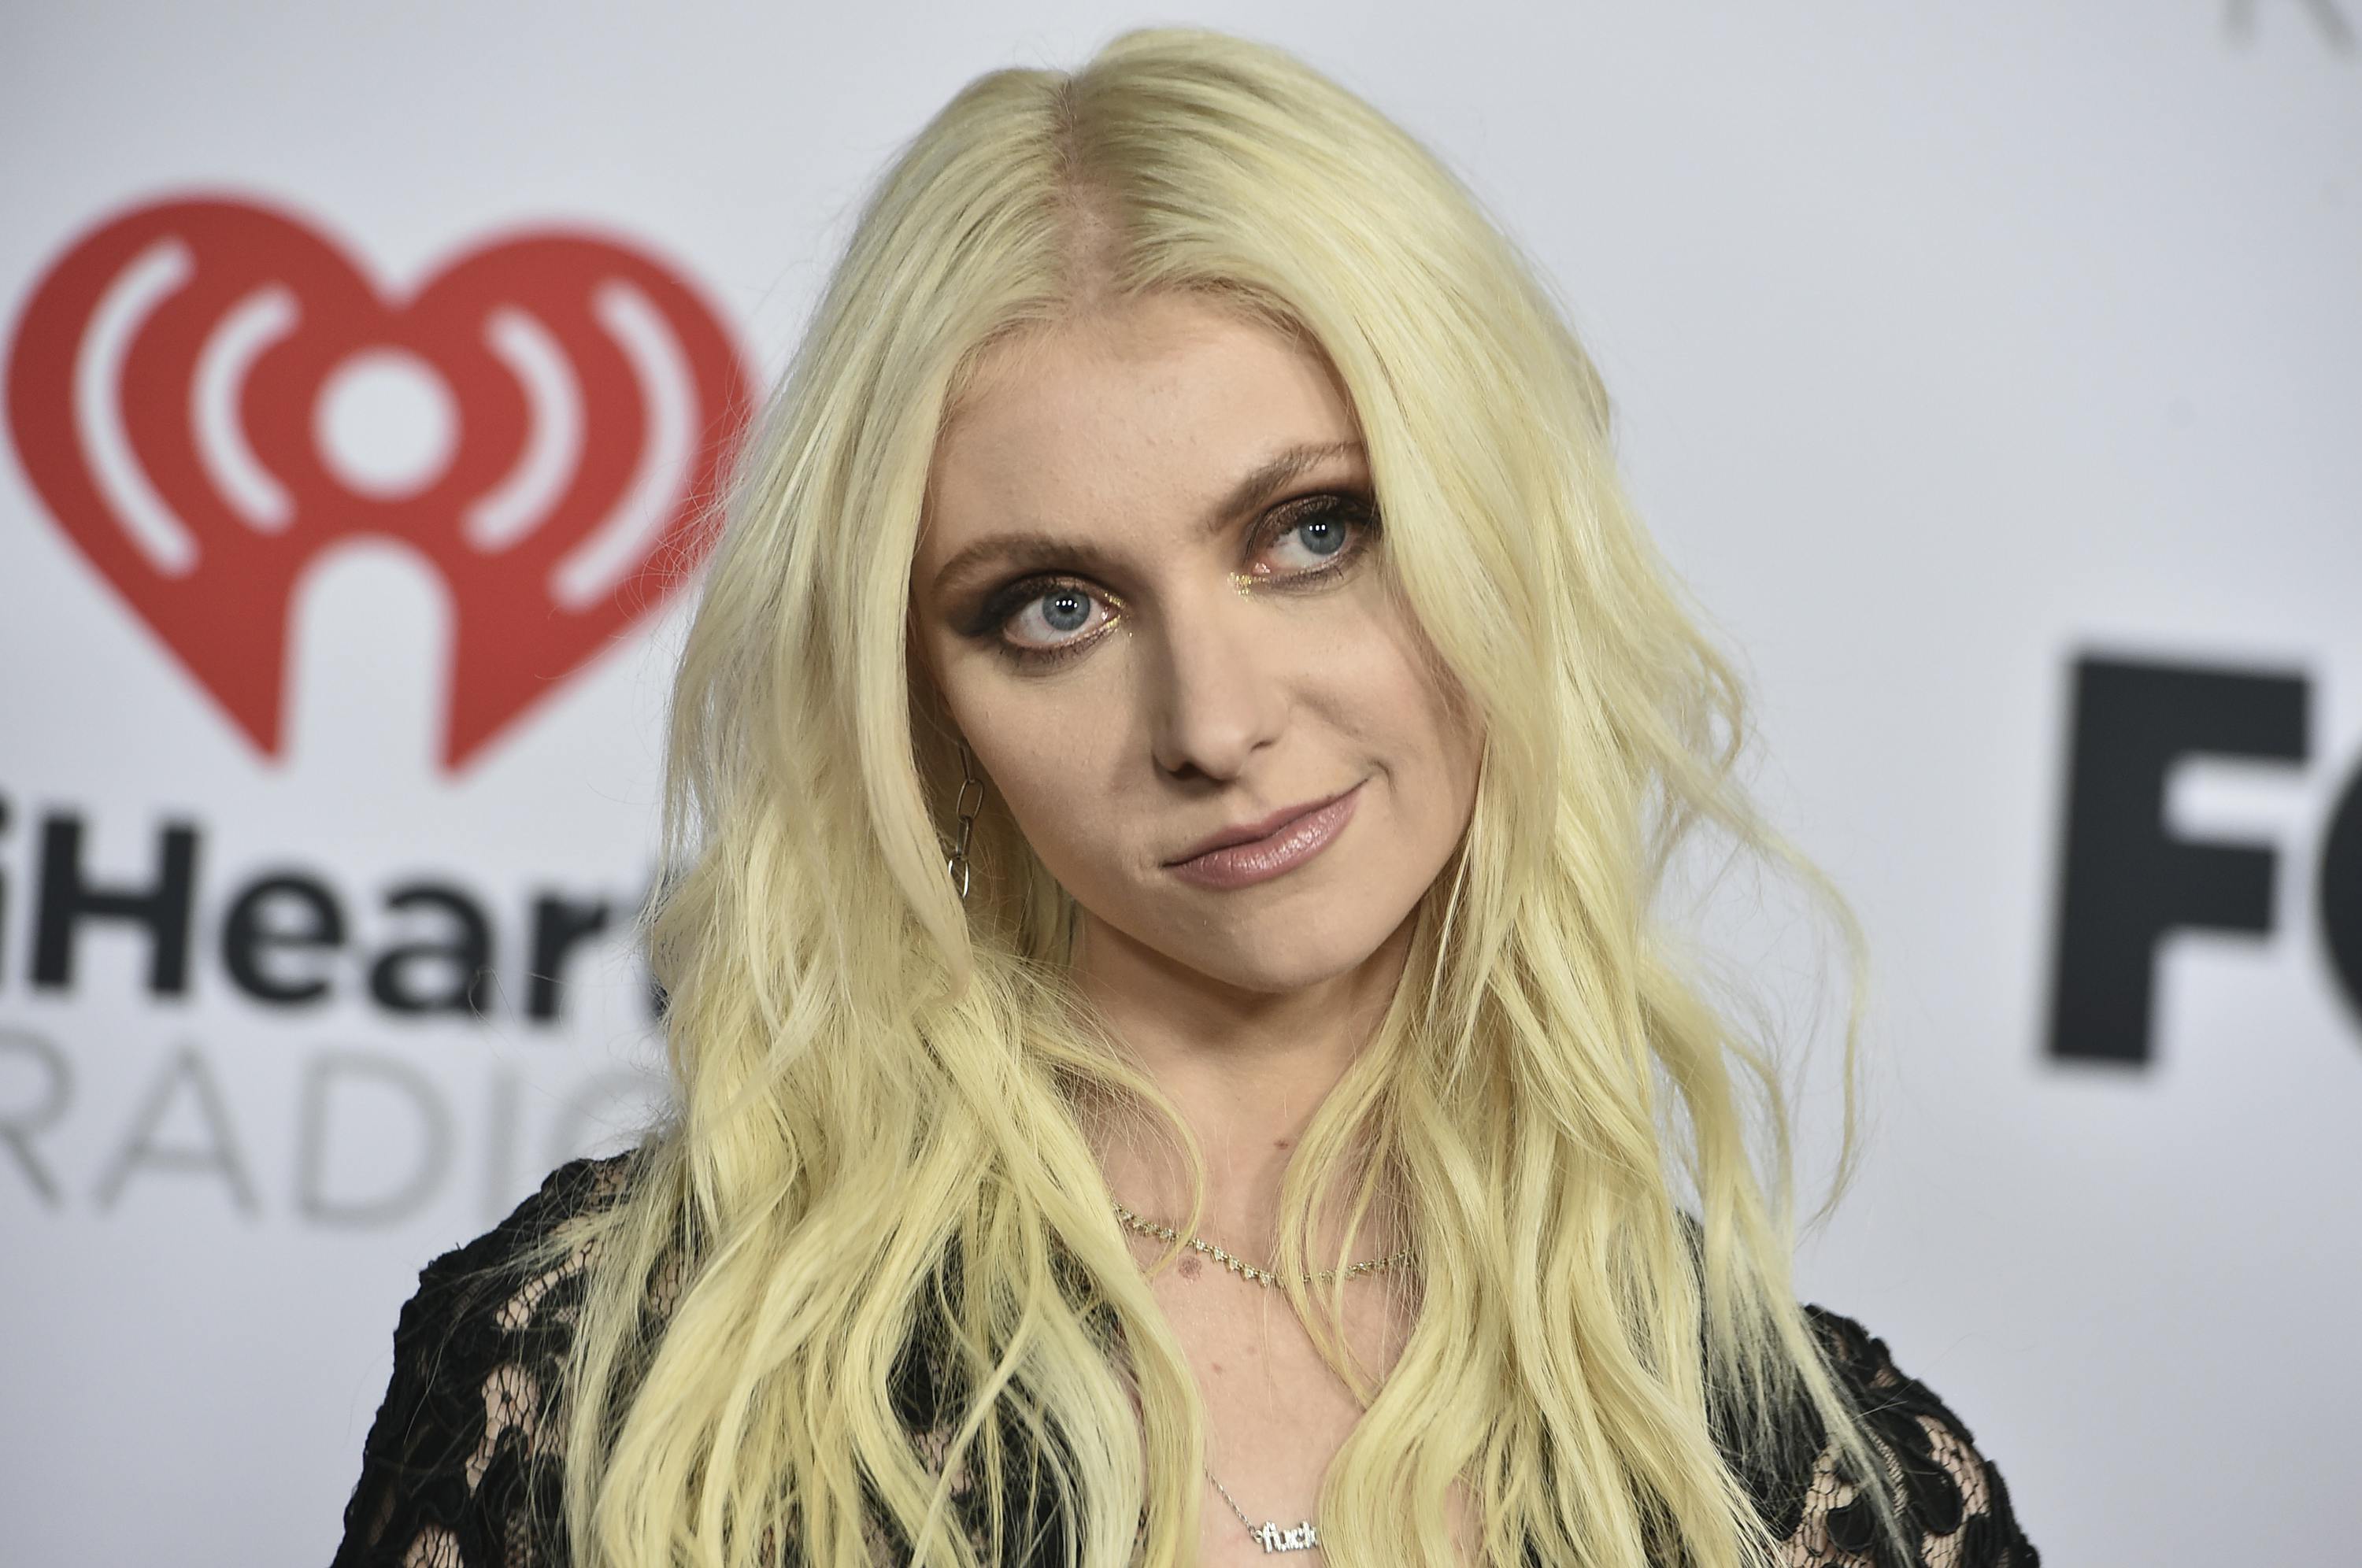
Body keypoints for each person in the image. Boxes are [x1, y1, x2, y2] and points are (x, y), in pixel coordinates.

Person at [330, 25, 2037, 1568]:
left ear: (1506, 540)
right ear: (925, 711)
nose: (1213, 725)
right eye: (1054, 609)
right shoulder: (627, 1371)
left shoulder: (1822, 1487)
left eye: (1313, 533)